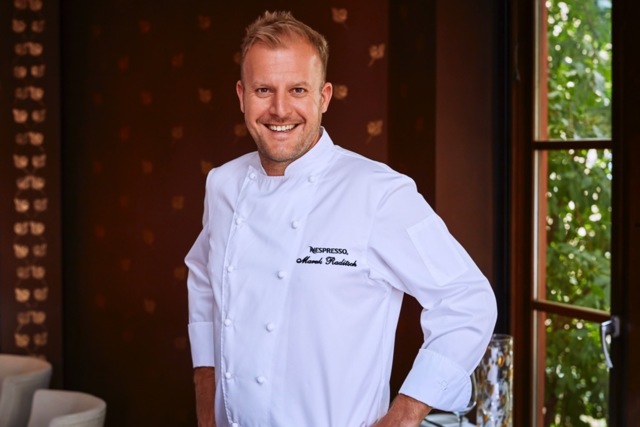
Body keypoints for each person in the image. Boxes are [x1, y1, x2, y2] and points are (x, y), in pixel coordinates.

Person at [185, 10, 497, 427]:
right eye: (263, 90)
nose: (280, 109)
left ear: (324, 97)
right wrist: (205, 394)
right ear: (242, 96)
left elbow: (468, 299)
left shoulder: (379, 194)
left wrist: (405, 415)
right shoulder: (222, 184)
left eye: (298, 89)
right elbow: (203, 279)